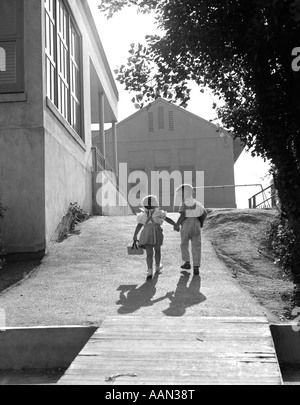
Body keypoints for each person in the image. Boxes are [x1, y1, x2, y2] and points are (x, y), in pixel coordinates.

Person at [133, 195, 177, 280]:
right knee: (157, 250)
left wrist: (135, 235)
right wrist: (175, 224)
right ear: (155, 204)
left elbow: (139, 225)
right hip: (157, 232)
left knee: (149, 253)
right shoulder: (158, 213)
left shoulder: (142, 215)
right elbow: (167, 219)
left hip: (146, 233)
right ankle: (157, 266)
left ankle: (149, 270)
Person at [174, 184, 207, 276]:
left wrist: (176, 225)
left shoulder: (183, 204)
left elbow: (182, 215)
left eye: (181, 195)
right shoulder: (198, 203)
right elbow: (204, 213)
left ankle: (187, 262)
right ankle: (196, 267)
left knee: (184, 244)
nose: (180, 197)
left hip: (186, 224)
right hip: (196, 223)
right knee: (196, 245)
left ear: (185, 193)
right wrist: (201, 222)